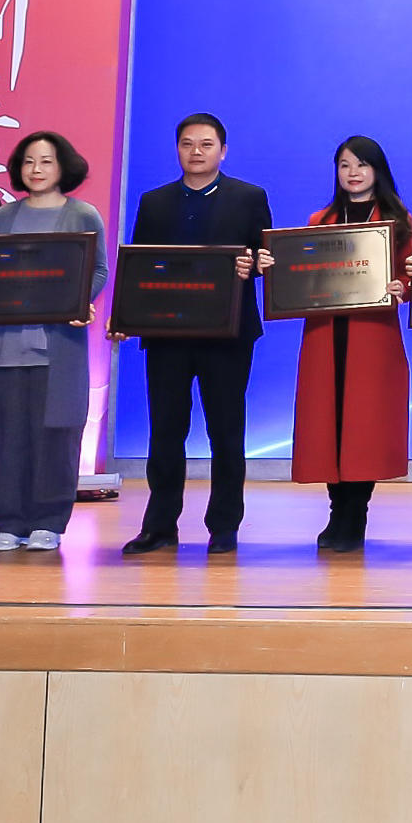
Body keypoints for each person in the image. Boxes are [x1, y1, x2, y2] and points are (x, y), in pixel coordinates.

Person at [121, 114, 272, 557]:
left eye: (206, 144)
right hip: (167, 333)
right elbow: (140, 266)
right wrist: (127, 317)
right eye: (187, 144)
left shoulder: (249, 197)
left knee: (226, 432)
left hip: (228, 333)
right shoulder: (154, 201)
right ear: (177, 149)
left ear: (223, 151)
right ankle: (159, 526)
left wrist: (253, 265)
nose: (196, 152)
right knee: (165, 431)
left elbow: (266, 258)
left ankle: (224, 526)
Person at [0, 131, 107, 553]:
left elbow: (98, 269)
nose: (36, 169)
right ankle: (7, 521)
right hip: (5, 347)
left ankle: (49, 521)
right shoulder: (2, 218)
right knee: (4, 436)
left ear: (63, 167)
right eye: (28, 162)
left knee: (56, 435)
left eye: (46, 161)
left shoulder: (82, 214)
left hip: (58, 348)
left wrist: (79, 300)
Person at [294, 137, 412, 555]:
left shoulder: (399, 221)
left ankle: (356, 513)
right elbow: (304, 274)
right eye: (344, 165)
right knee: (330, 423)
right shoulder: (320, 220)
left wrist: (403, 286)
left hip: (372, 336)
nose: (353, 173)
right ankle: (336, 512)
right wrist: (280, 268)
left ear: (377, 170)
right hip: (326, 335)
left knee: (365, 426)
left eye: (361, 164)